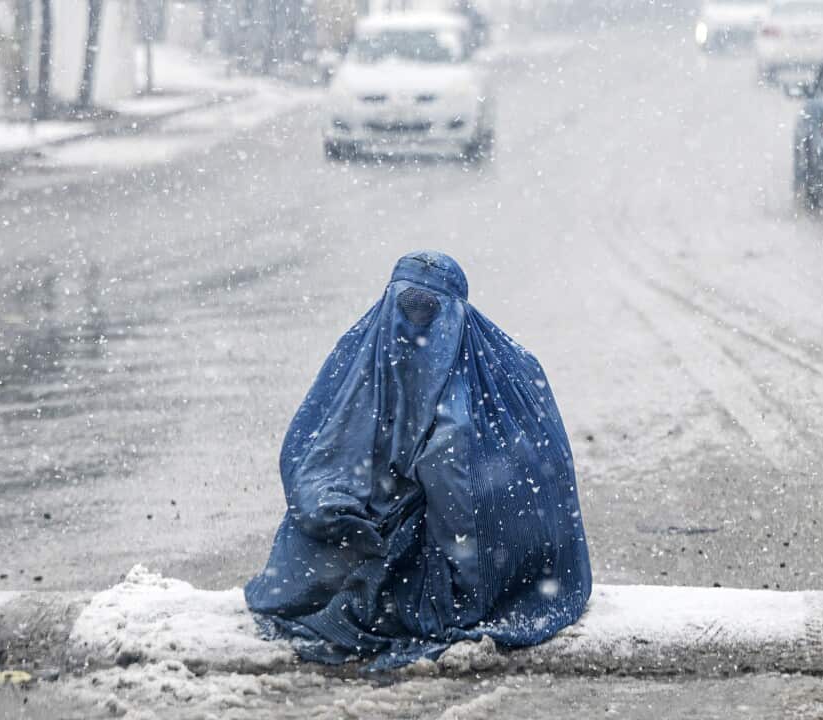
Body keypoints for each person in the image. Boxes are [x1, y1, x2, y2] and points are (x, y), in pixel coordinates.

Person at [245, 251, 592, 670]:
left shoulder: (505, 375)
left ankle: (458, 588)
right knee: (328, 549)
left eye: (429, 309)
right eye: (406, 307)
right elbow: (313, 451)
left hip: (479, 543)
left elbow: (492, 491)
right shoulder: (358, 359)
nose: (415, 321)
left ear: (458, 311)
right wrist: (339, 508)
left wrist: (457, 572)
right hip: (385, 522)